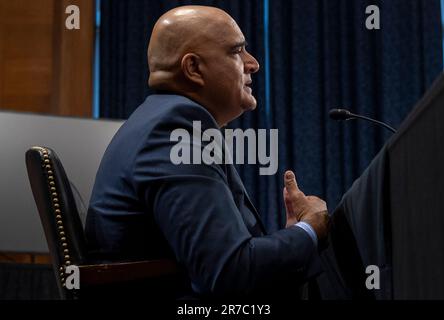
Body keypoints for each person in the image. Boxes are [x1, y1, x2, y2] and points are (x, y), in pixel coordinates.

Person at [85, 5, 329, 299]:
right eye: (236, 51)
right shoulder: (174, 129)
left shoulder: (165, 119)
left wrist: (293, 235)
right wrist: (310, 230)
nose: (253, 64)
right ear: (193, 69)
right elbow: (229, 274)